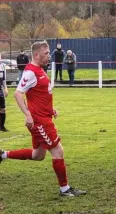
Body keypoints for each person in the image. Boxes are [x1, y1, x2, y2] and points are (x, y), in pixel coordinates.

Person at [0, 41, 87, 197]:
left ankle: (3, 155)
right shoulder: (31, 72)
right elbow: (18, 94)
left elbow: (38, 95)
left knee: (38, 155)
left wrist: (50, 109)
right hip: (39, 121)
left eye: (48, 53)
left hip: (43, 117)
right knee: (58, 151)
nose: (49, 56)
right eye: (46, 53)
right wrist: (27, 114)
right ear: (36, 55)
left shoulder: (39, 70)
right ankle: (65, 189)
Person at [0, 62, 8, 132]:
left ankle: (2, 127)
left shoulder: (2, 66)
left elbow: (3, 80)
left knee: (3, 109)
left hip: (0, 91)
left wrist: (6, 89)